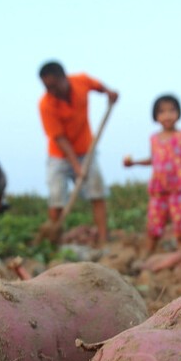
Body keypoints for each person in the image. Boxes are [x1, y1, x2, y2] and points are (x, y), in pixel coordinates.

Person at [38, 61, 118, 245]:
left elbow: (98, 87)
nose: (50, 90)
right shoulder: (46, 105)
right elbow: (60, 139)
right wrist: (76, 165)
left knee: (97, 193)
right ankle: (53, 240)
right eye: (46, 87)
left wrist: (109, 93)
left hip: (86, 150)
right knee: (56, 198)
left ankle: (104, 239)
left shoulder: (81, 81)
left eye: (53, 86)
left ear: (63, 78)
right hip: (58, 156)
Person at [123, 93, 181, 254]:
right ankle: (149, 253)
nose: (167, 115)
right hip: (159, 189)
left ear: (179, 113)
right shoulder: (154, 138)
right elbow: (154, 160)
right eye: (162, 112)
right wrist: (134, 163)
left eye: (171, 111)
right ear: (155, 116)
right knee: (154, 224)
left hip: (178, 188)